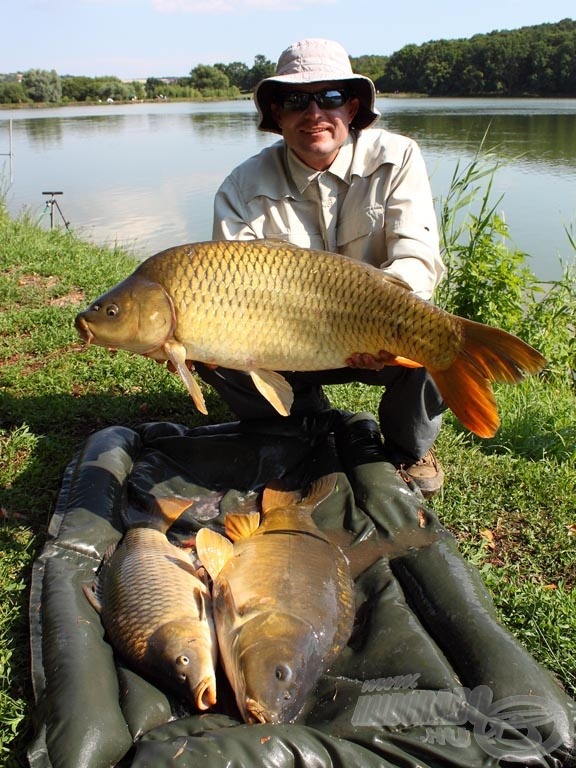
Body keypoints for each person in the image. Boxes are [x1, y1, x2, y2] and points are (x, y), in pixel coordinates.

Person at [194, 38, 447, 497]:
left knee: (432, 327)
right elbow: (226, 295)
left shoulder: (398, 157)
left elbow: (418, 255)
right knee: (208, 347)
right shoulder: (242, 186)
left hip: (377, 334)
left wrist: (384, 323)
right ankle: (300, 418)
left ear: (352, 108)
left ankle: (411, 447)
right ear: (277, 114)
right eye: (295, 100)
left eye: (329, 98)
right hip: (285, 345)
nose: (314, 113)